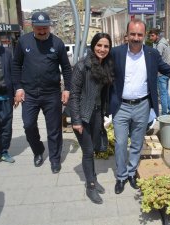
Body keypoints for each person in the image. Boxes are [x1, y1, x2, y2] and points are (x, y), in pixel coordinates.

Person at [110, 19, 170, 194]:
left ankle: (131, 173)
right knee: (121, 143)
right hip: (121, 107)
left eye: (139, 34)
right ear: (127, 35)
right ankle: (121, 176)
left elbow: (169, 71)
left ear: (144, 36)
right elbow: (101, 70)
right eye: (133, 34)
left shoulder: (152, 54)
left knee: (137, 143)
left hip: (142, 106)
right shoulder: (116, 53)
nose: (136, 38)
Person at [12, 12, 72, 173]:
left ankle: (55, 159)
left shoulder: (57, 43)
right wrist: (18, 87)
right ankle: (38, 150)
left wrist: (67, 89)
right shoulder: (23, 41)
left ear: (49, 27)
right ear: (32, 27)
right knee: (28, 125)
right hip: (29, 93)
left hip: (51, 93)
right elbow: (16, 65)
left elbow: (66, 68)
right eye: (39, 28)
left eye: (45, 28)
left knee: (54, 129)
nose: (42, 31)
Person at [70, 33, 114, 204]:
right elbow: (73, 94)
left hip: (96, 113)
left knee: (94, 149)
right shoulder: (82, 66)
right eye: (99, 45)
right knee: (88, 151)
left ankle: (93, 179)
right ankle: (90, 186)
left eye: (106, 46)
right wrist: (76, 120)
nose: (102, 49)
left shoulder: (105, 66)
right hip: (83, 114)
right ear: (93, 46)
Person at [0, 27, 15, 163]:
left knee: (6, 129)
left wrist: (16, 93)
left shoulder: (7, 53)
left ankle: (3, 152)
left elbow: (14, 74)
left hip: (6, 99)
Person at [149, 28, 170, 115]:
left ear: (157, 36)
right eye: (150, 36)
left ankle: (164, 113)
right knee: (165, 92)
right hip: (167, 71)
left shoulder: (159, 45)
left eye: (152, 36)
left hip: (161, 73)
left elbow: (156, 58)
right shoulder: (165, 43)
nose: (151, 38)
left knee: (162, 94)